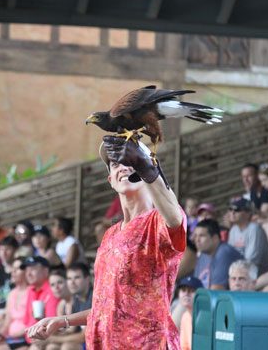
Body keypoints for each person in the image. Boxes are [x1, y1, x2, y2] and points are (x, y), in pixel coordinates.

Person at [27, 136, 186, 350]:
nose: (123, 167)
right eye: (115, 163)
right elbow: (107, 307)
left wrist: (150, 172)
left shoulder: (156, 222)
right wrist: (62, 321)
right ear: (111, 180)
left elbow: (175, 220)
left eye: (131, 160)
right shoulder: (110, 235)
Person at [226, 196, 268, 276]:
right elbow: (230, 256)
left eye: (237, 210)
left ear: (248, 213)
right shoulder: (233, 230)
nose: (232, 213)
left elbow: (251, 261)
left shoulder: (255, 229)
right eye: (230, 209)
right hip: (240, 273)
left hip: (258, 275)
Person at [193, 219, 243, 289]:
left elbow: (217, 290)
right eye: (196, 236)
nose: (197, 240)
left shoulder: (224, 253)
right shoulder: (203, 254)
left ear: (215, 238)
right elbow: (195, 286)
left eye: (202, 236)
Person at [23, 256, 60, 345]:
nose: (28, 274)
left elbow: (53, 327)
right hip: (29, 341)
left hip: (44, 342)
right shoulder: (31, 289)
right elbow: (26, 321)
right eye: (26, 270)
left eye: (32, 269)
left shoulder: (53, 289)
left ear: (46, 271)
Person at [177, 276, 203, 350]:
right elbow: (184, 347)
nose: (186, 294)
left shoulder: (206, 316)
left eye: (192, 290)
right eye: (183, 290)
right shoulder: (185, 317)